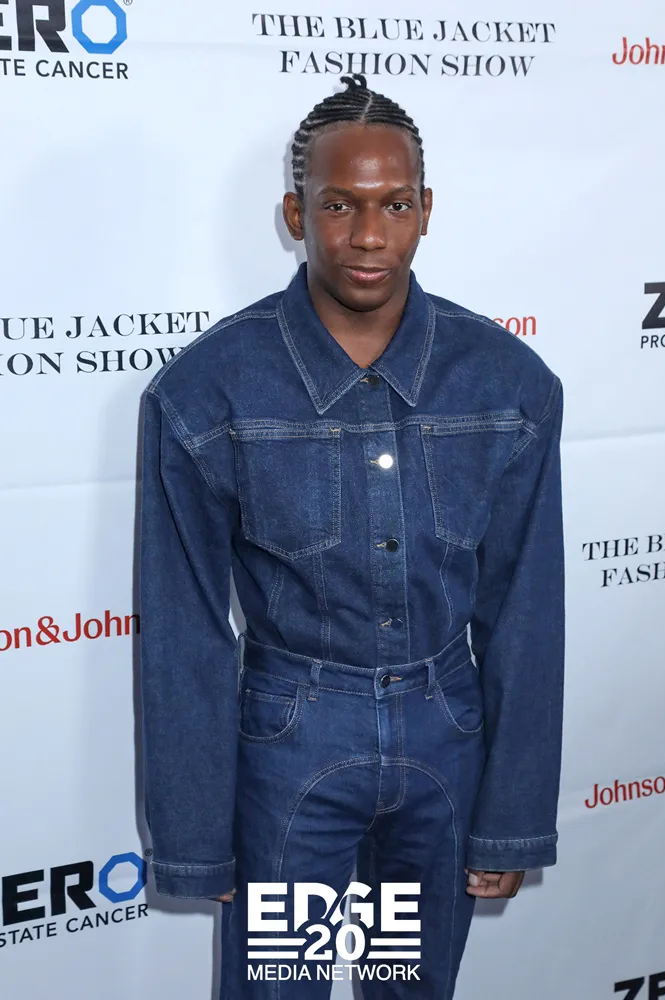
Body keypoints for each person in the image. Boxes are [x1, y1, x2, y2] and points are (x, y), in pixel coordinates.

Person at [138, 74, 565, 999]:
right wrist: (196, 833)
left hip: (446, 737)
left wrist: (512, 815)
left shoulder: (507, 382)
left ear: (425, 212)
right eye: (339, 205)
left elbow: (526, 611)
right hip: (292, 744)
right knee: (279, 986)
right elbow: (182, 630)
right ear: (296, 214)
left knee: (408, 986)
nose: (369, 235)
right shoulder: (208, 389)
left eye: (394, 205)